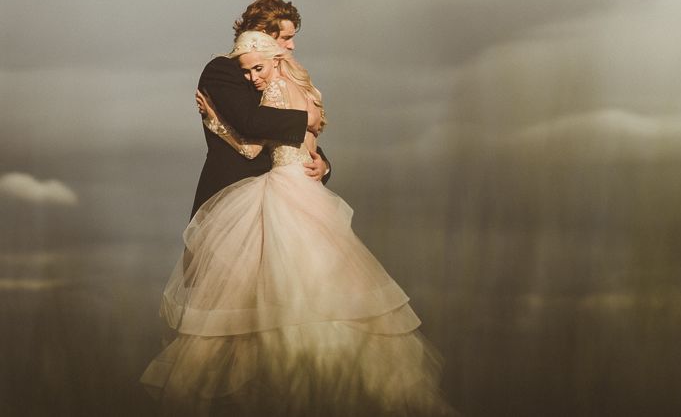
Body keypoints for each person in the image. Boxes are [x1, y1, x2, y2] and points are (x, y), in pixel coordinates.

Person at [140, 31, 457, 417]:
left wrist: (213, 120)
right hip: (304, 194)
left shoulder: (275, 90)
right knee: (317, 290)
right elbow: (290, 136)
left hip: (283, 193)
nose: (290, 46)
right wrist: (315, 151)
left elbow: (253, 142)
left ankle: (296, 389)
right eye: (285, 37)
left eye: (261, 66)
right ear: (269, 40)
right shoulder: (286, 86)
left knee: (280, 298)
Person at [190, 0, 330, 219]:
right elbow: (250, 121)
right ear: (263, 33)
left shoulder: (282, 79)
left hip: (279, 203)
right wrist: (306, 119)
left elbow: (290, 138)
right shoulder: (222, 70)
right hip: (230, 200)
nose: (291, 45)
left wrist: (323, 165)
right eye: (285, 37)